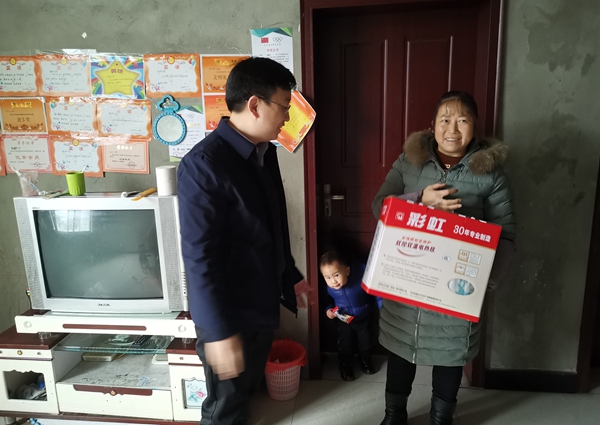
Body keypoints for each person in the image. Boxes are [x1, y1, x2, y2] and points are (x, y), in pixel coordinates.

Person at [372, 91, 516, 425]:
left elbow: (506, 233)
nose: (453, 129)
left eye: (462, 120)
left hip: (457, 285)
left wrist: (485, 282)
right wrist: (419, 200)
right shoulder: (409, 161)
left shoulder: (491, 174)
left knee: (451, 352)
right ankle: (394, 415)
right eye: (445, 119)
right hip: (408, 279)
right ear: (433, 125)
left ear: (474, 127)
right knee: (401, 348)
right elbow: (380, 206)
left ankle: (441, 418)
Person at [177, 57, 306, 425]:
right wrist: (219, 334)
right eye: (284, 106)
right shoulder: (204, 165)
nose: (287, 118)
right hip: (228, 316)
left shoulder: (263, 152)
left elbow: (271, 223)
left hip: (260, 304)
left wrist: (290, 276)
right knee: (224, 410)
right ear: (255, 104)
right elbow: (199, 258)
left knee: (244, 398)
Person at [320, 250, 382, 381]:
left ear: (347, 271)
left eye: (336, 275)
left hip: (363, 317)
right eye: (328, 277)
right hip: (344, 319)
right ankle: (346, 365)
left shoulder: (360, 278)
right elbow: (326, 301)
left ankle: (365, 361)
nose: (333, 281)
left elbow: (375, 292)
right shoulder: (328, 288)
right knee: (345, 344)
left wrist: (381, 306)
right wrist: (328, 310)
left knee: (366, 342)